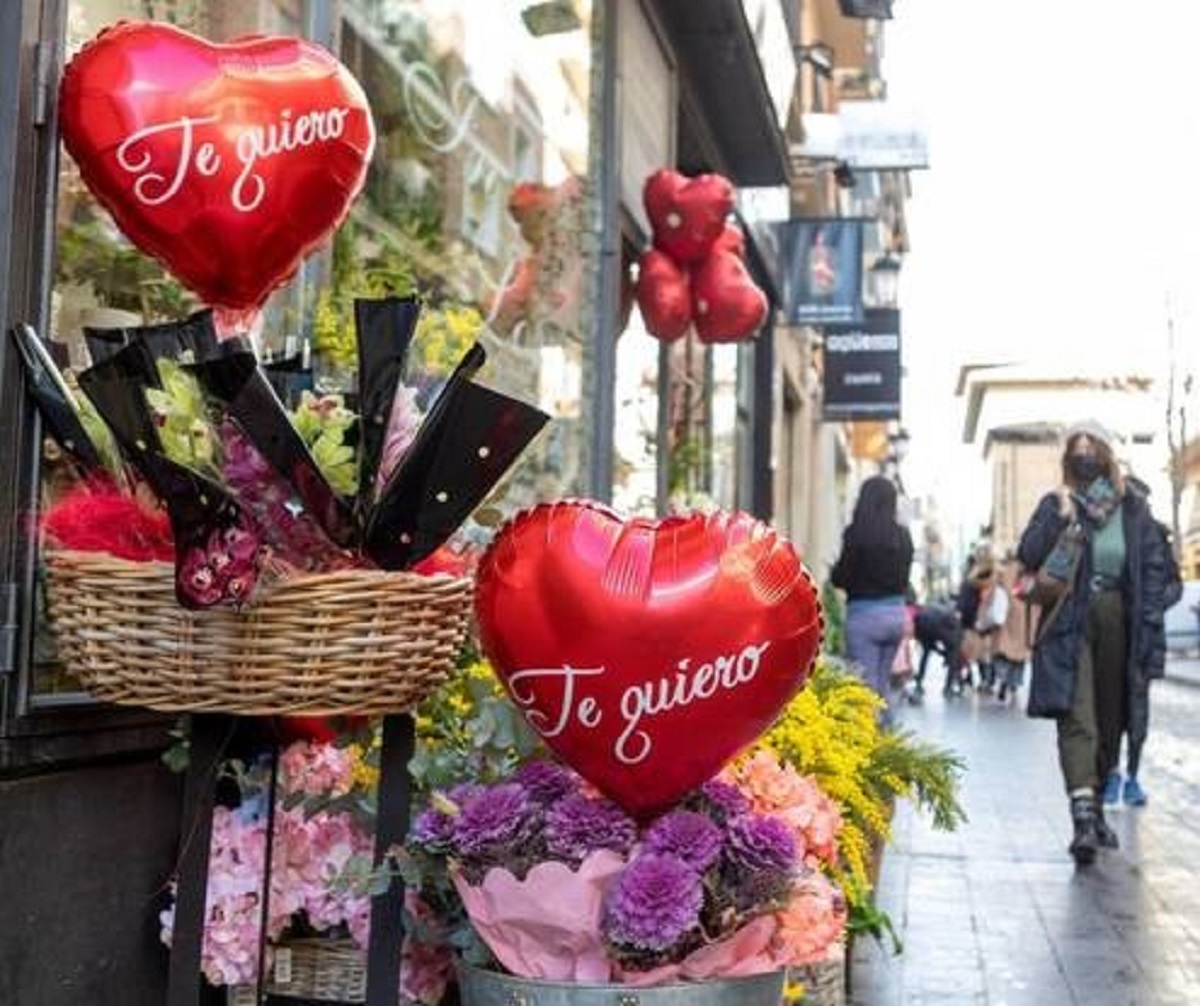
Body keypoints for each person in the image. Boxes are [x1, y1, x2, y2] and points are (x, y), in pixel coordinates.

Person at [1017, 420, 1167, 867]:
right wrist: (1057, 516)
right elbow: (1029, 554)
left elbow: (1155, 570)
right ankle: (1082, 816)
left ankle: (1097, 805)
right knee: (1077, 715)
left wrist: (1150, 627)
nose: (1084, 454)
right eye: (1076, 447)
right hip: (1070, 619)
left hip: (1120, 619)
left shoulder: (1132, 506)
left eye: (1091, 446)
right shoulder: (1059, 503)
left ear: (1106, 454)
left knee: (1111, 718)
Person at [831, 476, 915, 726]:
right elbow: (904, 580)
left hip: (864, 617)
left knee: (865, 687)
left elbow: (841, 577)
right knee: (882, 682)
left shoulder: (855, 534)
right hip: (895, 616)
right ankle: (888, 735)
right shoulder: (903, 536)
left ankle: (874, 740)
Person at [993, 553, 1032, 704]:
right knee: (1020, 653)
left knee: (1005, 650)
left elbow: (999, 588)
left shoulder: (1005, 570)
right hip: (1024, 612)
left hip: (1008, 612)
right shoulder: (1027, 570)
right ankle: (1014, 684)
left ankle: (1003, 678)